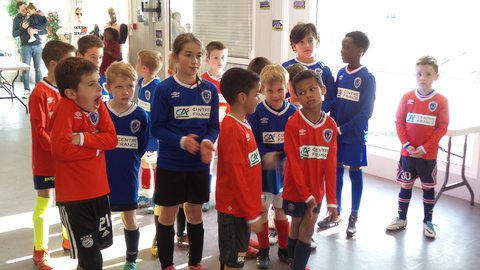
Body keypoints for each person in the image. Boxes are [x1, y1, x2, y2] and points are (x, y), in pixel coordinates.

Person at [150, 33, 219, 270]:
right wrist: (181, 141)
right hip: (171, 164)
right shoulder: (164, 90)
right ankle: (167, 265)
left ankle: (195, 263)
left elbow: (213, 126)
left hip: (198, 166)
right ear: (175, 57)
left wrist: (209, 142)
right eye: (188, 55)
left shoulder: (209, 91)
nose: (195, 61)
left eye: (198, 56)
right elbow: (157, 128)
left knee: (195, 214)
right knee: (167, 216)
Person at [49, 57, 117, 270]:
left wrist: (83, 139)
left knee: (96, 252)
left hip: (99, 191)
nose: (99, 87)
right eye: (91, 84)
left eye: (98, 81)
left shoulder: (99, 107)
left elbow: (112, 140)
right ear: (71, 93)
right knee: (91, 258)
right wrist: (97, 148)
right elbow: (61, 150)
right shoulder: (65, 109)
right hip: (74, 198)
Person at [386, 56, 449, 239]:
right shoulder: (407, 97)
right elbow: (399, 122)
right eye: (419, 74)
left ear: (435, 76)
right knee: (406, 185)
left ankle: (428, 221)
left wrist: (425, 147)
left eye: (428, 74)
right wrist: (406, 144)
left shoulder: (441, 101)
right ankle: (401, 217)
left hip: (427, 156)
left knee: (428, 187)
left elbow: (442, 127)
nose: (423, 78)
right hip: (407, 153)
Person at [282, 69, 338, 270]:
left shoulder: (330, 125)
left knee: (308, 227)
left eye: (312, 89)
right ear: (296, 96)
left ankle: (297, 265)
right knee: (296, 225)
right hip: (296, 189)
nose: (308, 95)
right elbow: (294, 163)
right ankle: (292, 261)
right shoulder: (293, 124)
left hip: (317, 192)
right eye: (302, 92)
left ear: (323, 89)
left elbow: (330, 166)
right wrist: (305, 195)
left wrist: (332, 201)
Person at [27, 40, 76, 270]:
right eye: (70, 62)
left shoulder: (70, 91)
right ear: (54, 64)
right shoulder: (39, 93)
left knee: (66, 201)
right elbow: (40, 131)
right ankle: (40, 250)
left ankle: (68, 239)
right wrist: (60, 151)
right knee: (44, 203)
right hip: (47, 162)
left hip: (67, 160)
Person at [324, 31, 376, 237]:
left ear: (359, 51)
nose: (341, 51)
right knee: (336, 170)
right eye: (341, 46)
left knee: (354, 171)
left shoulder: (367, 78)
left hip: (354, 135)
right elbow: (335, 102)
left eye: (346, 47)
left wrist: (343, 128)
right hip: (337, 133)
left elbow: (366, 113)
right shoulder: (341, 74)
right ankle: (335, 212)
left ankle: (354, 216)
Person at [246, 64, 297, 268]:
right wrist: (265, 155)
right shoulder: (257, 111)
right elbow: (251, 140)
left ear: (287, 88)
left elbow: (296, 141)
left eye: (280, 89)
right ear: (262, 90)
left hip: (285, 173)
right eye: (270, 90)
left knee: (281, 210)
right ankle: (264, 249)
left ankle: (284, 248)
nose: (275, 95)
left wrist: (287, 157)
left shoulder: (293, 111)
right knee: (262, 209)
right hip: (264, 173)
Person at [216, 67, 264, 270]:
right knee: (233, 263)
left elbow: (247, 166)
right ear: (242, 97)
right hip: (234, 211)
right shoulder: (231, 128)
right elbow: (237, 177)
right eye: (256, 94)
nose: (259, 98)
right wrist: (251, 214)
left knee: (233, 259)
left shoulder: (242, 123)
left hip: (242, 209)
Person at [104, 62, 150, 270]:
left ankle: (131, 259)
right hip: (102, 176)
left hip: (127, 175)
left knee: (129, 217)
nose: (126, 92)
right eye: (119, 87)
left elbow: (140, 147)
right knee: (98, 217)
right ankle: (93, 256)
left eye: (130, 86)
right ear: (108, 88)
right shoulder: (100, 112)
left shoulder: (141, 116)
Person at [282, 22, 336, 114]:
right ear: (294, 46)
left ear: (317, 42)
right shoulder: (284, 68)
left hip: (315, 118)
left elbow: (331, 99)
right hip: (289, 116)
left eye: (310, 41)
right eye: (301, 42)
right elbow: (280, 96)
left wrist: (314, 112)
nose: (307, 45)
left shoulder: (325, 69)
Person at [201, 41, 229, 212]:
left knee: (226, 162)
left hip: (227, 127)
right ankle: (205, 195)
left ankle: (223, 195)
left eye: (223, 57)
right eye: (216, 57)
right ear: (207, 59)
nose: (220, 61)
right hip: (209, 128)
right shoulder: (202, 80)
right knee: (208, 161)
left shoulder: (229, 79)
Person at [134, 49, 163, 212]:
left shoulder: (157, 87)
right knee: (144, 163)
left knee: (155, 165)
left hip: (153, 134)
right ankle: (145, 193)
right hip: (143, 131)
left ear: (144, 67)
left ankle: (157, 197)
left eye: (138, 62)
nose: (136, 64)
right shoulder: (140, 82)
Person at [12, 1, 46, 98]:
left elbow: (44, 30)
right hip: (25, 46)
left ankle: (38, 90)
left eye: (26, 9)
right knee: (26, 69)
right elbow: (14, 35)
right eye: (23, 10)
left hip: (37, 45)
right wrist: (23, 28)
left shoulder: (34, 15)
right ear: (18, 10)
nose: (26, 11)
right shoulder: (16, 20)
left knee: (38, 68)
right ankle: (26, 90)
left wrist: (35, 31)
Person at [77, 35, 111, 102]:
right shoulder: (73, 84)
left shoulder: (106, 81)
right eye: (93, 57)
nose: (98, 61)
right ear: (80, 56)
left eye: (100, 57)